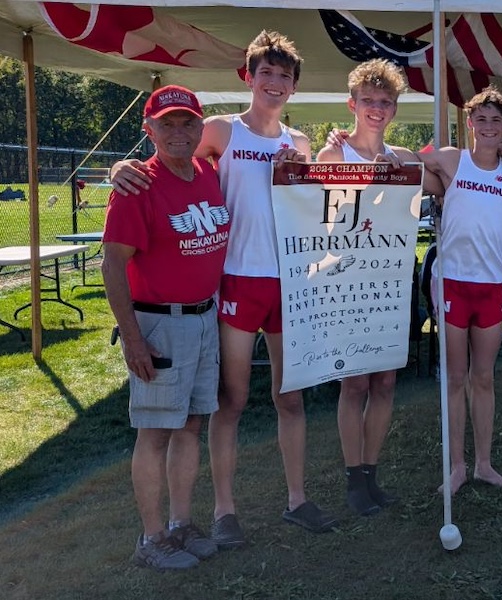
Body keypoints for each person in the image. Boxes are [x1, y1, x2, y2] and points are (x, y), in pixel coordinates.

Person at [110, 31, 337, 544]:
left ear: (294, 86)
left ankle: (297, 498)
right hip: (236, 281)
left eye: (285, 75)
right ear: (249, 77)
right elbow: (168, 159)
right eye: (267, 73)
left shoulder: (297, 144)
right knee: (229, 402)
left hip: (287, 284)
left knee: (291, 399)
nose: (275, 83)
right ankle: (224, 510)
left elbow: (322, 208)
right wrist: (119, 168)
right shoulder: (221, 130)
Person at [103, 86, 230, 569]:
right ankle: (151, 538)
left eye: (188, 123)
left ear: (201, 127)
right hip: (159, 323)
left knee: (190, 425)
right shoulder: (138, 185)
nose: (179, 133)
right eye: (168, 124)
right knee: (155, 431)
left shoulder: (207, 174)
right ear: (148, 128)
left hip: (203, 318)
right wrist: (133, 337)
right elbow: (112, 264)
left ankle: (180, 523)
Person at [316, 59, 425, 515]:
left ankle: (372, 474)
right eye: (368, 102)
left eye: (385, 102)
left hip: (390, 284)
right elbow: (324, 225)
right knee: (354, 384)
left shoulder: (404, 160)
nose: (376, 110)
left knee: (384, 382)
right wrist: (372, 183)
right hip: (346, 283)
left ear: (395, 108)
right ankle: (352, 479)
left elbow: (413, 214)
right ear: (352, 104)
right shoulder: (332, 156)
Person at [416, 88, 502, 495]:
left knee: (484, 377)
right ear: (470, 123)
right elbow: (410, 164)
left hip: (491, 285)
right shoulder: (452, 159)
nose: (489, 127)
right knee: (454, 377)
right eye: (481, 119)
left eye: (497, 120)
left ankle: (483, 464)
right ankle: (456, 466)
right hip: (453, 285)